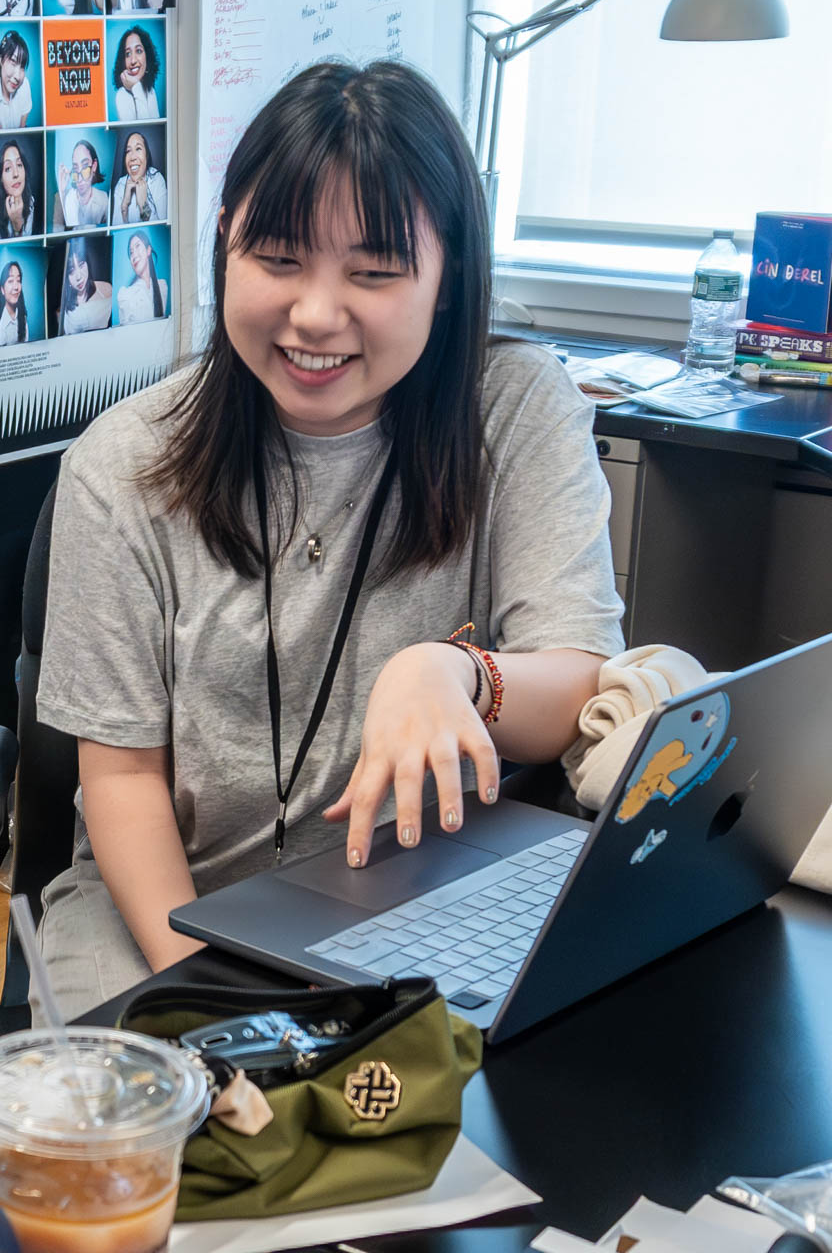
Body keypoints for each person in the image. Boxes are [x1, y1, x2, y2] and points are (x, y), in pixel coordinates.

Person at [35, 60, 624, 1017]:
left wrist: (453, 673)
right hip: (166, 904)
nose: (315, 314)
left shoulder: (517, 410)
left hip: (424, 899)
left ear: (449, 275)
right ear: (223, 245)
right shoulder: (124, 466)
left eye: (375, 272)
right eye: (276, 258)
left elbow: (579, 682)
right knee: (189, 1140)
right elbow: (123, 781)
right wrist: (207, 1002)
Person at [56, 236, 112, 335]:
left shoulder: (106, 290)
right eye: (71, 271)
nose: (79, 276)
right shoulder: (62, 306)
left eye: (81, 265)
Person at [112, 128, 168, 225]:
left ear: (146, 155)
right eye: (128, 151)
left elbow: (161, 229)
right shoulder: (120, 185)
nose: (133, 157)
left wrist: (143, 205)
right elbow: (117, 232)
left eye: (138, 149)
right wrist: (124, 206)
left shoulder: (157, 179)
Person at [0, 140, 38, 240]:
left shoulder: (30, 201)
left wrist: (17, 225)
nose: (16, 174)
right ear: (1, 178)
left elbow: (25, 251)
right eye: (8, 168)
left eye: (19, 165)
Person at [55, 138, 110, 231]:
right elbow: (56, 232)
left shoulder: (104, 199)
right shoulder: (66, 198)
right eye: (75, 168)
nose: (79, 179)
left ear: (94, 166)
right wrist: (61, 192)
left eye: (85, 166)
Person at [0, 30, 34, 130]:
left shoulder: (25, 85)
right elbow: (0, 129)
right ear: (0, 60)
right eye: (13, 63)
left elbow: (22, 127)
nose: (18, 76)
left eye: (22, 67)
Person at [115, 230, 167, 324]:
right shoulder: (126, 295)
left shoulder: (162, 286)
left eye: (137, 246)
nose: (134, 255)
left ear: (148, 250)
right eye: (131, 252)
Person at [112, 26, 162, 121]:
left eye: (138, 51)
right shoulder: (122, 96)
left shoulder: (150, 91)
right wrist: (136, 87)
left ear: (147, 56)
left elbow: (154, 130)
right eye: (128, 54)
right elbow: (143, 129)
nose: (133, 60)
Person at [0, 260, 30, 347]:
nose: (16, 287)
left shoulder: (23, 318)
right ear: (2, 289)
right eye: (10, 281)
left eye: (18, 280)